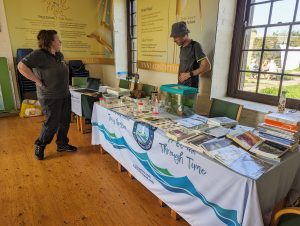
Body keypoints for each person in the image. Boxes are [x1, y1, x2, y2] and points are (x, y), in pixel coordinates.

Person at [17, 30, 77, 160]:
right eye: (57, 39)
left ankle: (62, 144)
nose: (60, 41)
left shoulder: (59, 55)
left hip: (64, 94)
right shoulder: (39, 55)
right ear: (50, 42)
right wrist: (37, 80)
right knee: (51, 123)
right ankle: (41, 144)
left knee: (65, 121)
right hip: (50, 96)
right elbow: (21, 66)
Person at [170, 21, 211, 88]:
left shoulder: (195, 46)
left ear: (184, 34)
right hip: (181, 87)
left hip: (190, 90)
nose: (174, 40)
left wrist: (189, 74)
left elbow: (207, 66)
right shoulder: (182, 48)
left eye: (175, 37)